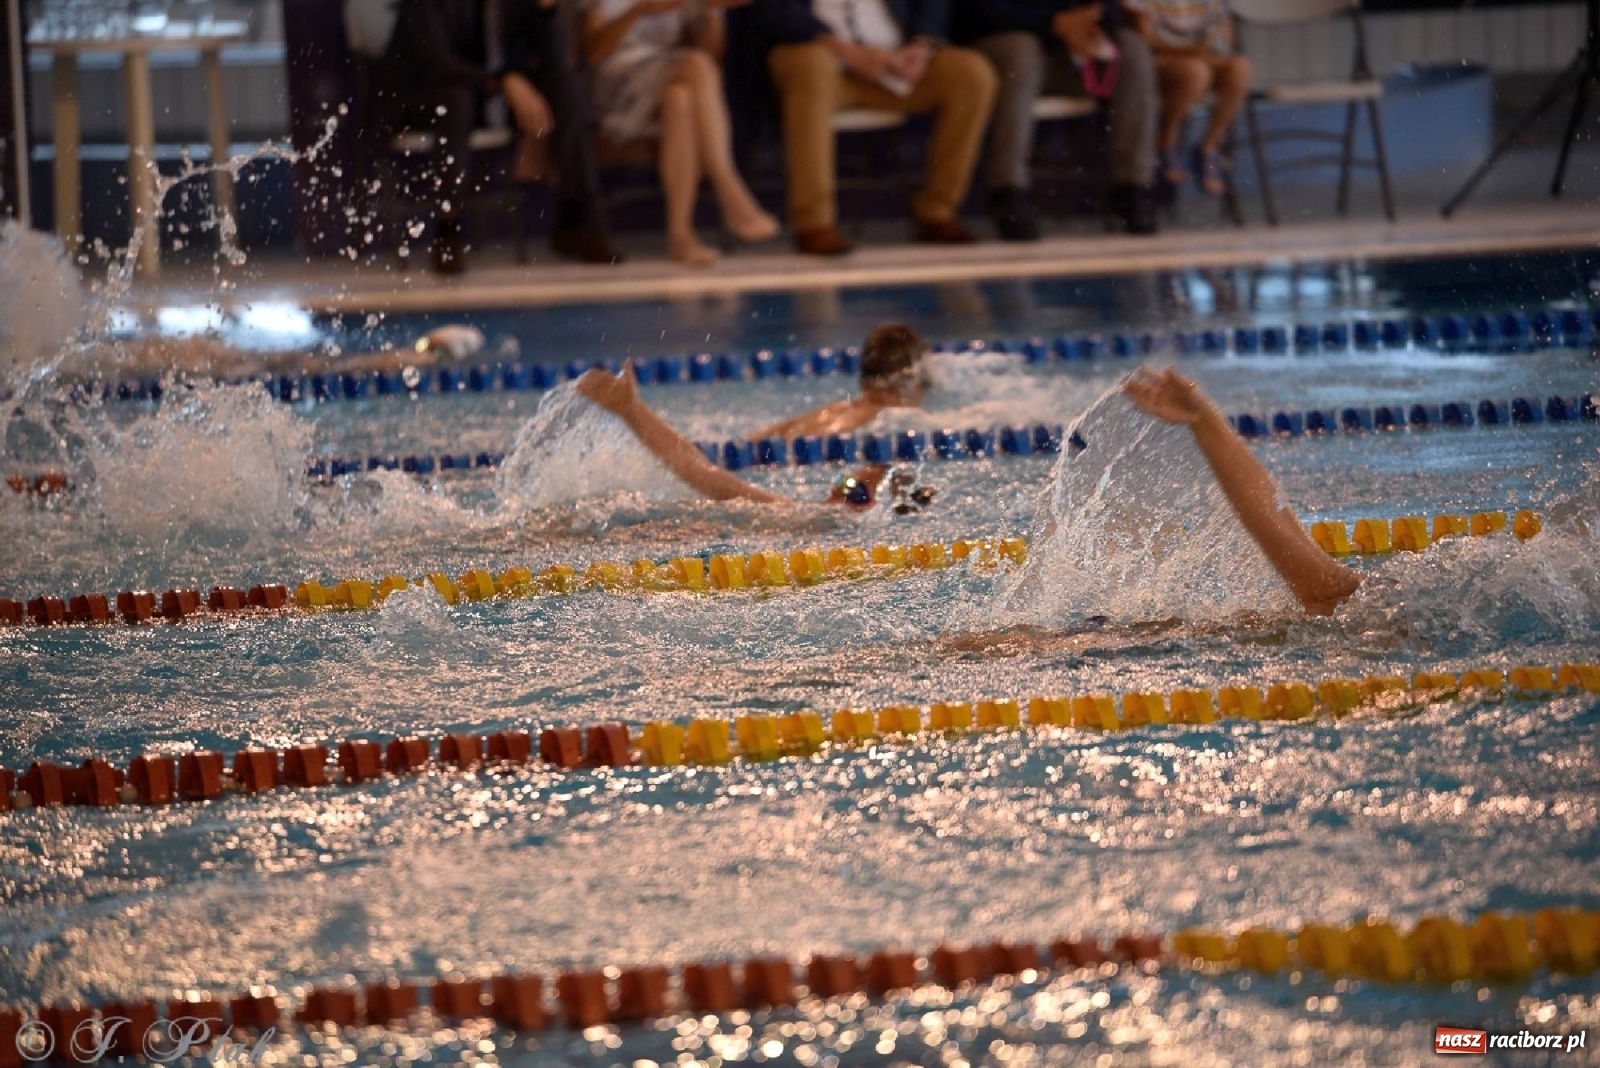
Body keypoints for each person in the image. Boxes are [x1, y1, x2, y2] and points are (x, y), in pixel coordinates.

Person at [577, 356, 1361, 615]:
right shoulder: (797, 518)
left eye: (862, 484)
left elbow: (707, 474)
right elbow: (705, 473)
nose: (852, 483)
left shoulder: (805, 521)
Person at [729, 0, 999, 256]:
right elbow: (770, 9)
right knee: (811, 66)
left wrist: (921, 44)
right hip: (818, 54)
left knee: (972, 73)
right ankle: (814, 222)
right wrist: (846, 50)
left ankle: (938, 212)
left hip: (892, 62)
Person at [370, 0, 622, 272]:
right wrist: (502, 82)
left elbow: (554, 60)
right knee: (456, 101)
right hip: (425, 96)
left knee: (566, 88)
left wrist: (545, 12)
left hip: (492, 93)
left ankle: (578, 221)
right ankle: (447, 230)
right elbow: (436, 63)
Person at [1124, 366, 1360, 614]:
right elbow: (1324, 585)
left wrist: (1204, 419)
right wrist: (1204, 420)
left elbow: (1324, 585)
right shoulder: (1387, 606)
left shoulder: (1381, 605)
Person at [581, 0, 781, 265]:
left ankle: (680, 237)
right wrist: (638, 11)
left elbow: (713, 52)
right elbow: (594, 54)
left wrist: (709, 12)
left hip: (670, 76)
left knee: (680, 99)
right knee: (695, 64)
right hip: (614, 83)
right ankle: (727, 185)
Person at [949, 0, 1161, 239]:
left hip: (1070, 57)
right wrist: (1053, 23)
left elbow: (1111, 8)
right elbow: (974, 16)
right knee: (1022, 50)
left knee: (1132, 48)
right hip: (1006, 54)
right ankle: (1008, 190)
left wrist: (1096, 25)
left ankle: (1134, 187)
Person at [1129, 0, 1248, 196]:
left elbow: (1225, 33)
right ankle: (1166, 140)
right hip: (1164, 59)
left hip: (1204, 55)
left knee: (1240, 69)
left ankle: (1209, 145)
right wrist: (1188, 51)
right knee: (1196, 73)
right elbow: (1146, 38)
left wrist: (1212, 48)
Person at [749, 322, 930, 440]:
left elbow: (754, 439)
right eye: (925, 382)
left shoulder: (833, 410)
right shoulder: (888, 418)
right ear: (906, 383)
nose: (924, 391)